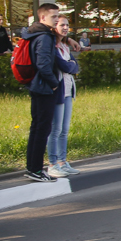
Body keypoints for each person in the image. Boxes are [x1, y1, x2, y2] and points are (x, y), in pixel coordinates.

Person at [22, 3, 61, 182]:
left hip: (36, 85)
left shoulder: (34, 33)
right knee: (42, 128)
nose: (57, 19)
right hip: (44, 87)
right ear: (43, 17)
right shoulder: (44, 36)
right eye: (53, 17)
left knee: (37, 127)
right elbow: (44, 64)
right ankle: (36, 169)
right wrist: (54, 84)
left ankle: (33, 167)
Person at [47, 17, 81, 179]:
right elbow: (65, 65)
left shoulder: (63, 45)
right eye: (62, 25)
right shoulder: (53, 46)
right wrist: (71, 66)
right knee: (55, 130)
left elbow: (75, 66)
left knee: (64, 130)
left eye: (67, 25)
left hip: (68, 91)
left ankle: (62, 161)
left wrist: (71, 66)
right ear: (54, 27)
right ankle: (52, 163)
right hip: (58, 92)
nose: (66, 27)